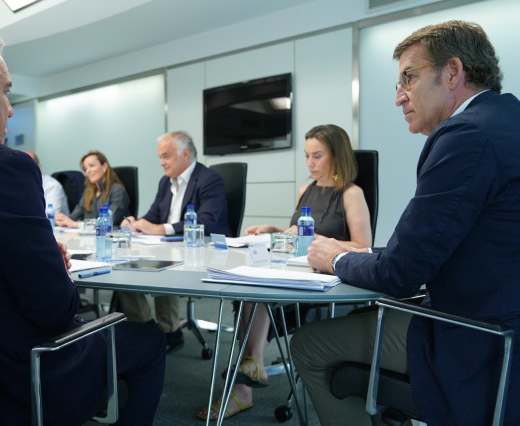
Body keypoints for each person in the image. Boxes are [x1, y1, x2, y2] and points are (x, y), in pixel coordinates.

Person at [0, 24, 166, 426]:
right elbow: (52, 311)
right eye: (7, 91)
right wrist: (59, 271)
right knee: (148, 342)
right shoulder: (5, 167)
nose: (11, 108)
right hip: (19, 374)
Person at [292, 20, 520, 426]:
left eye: (409, 79)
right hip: (501, 313)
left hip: (479, 336)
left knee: (310, 343)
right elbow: (456, 244)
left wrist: (335, 260)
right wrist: (367, 253)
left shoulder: (465, 136)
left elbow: (402, 273)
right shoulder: (506, 120)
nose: (399, 97)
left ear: (452, 71)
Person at [197, 124, 372, 420]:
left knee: (258, 290)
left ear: (337, 155)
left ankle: (246, 381)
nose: (310, 163)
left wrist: (318, 240)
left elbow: (363, 246)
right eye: (306, 156)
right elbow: (295, 235)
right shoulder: (306, 189)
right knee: (247, 286)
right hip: (295, 267)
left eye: (318, 156)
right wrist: (274, 230)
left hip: (327, 278)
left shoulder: (351, 193)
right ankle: (252, 368)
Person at [118, 130, 231, 353]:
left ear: (185, 154)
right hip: (167, 245)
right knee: (121, 266)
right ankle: (147, 328)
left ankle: (169, 331)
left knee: (164, 265)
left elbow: (206, 222)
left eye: (166, 156)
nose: (161, 163)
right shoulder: (165, 182)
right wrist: (135, 223)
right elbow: (152, 215)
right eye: (160, 157)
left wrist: (160, 228)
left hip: (199, 249)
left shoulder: (209, 180)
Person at [54, 150, 129, 227]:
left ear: (105, 166)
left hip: (109, 236)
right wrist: (63, 220)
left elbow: (107, 222)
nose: (88, 171)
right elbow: (73, 218)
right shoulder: (89, 193)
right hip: (89, 237)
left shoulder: (117, 190)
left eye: (91, 166)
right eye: (85, 169)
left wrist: (75, 224)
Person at [24, 151, 69, 215]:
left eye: (27, 164)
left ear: (38, 167)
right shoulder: (18, 185)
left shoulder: (53, 186)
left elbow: (49, 216)